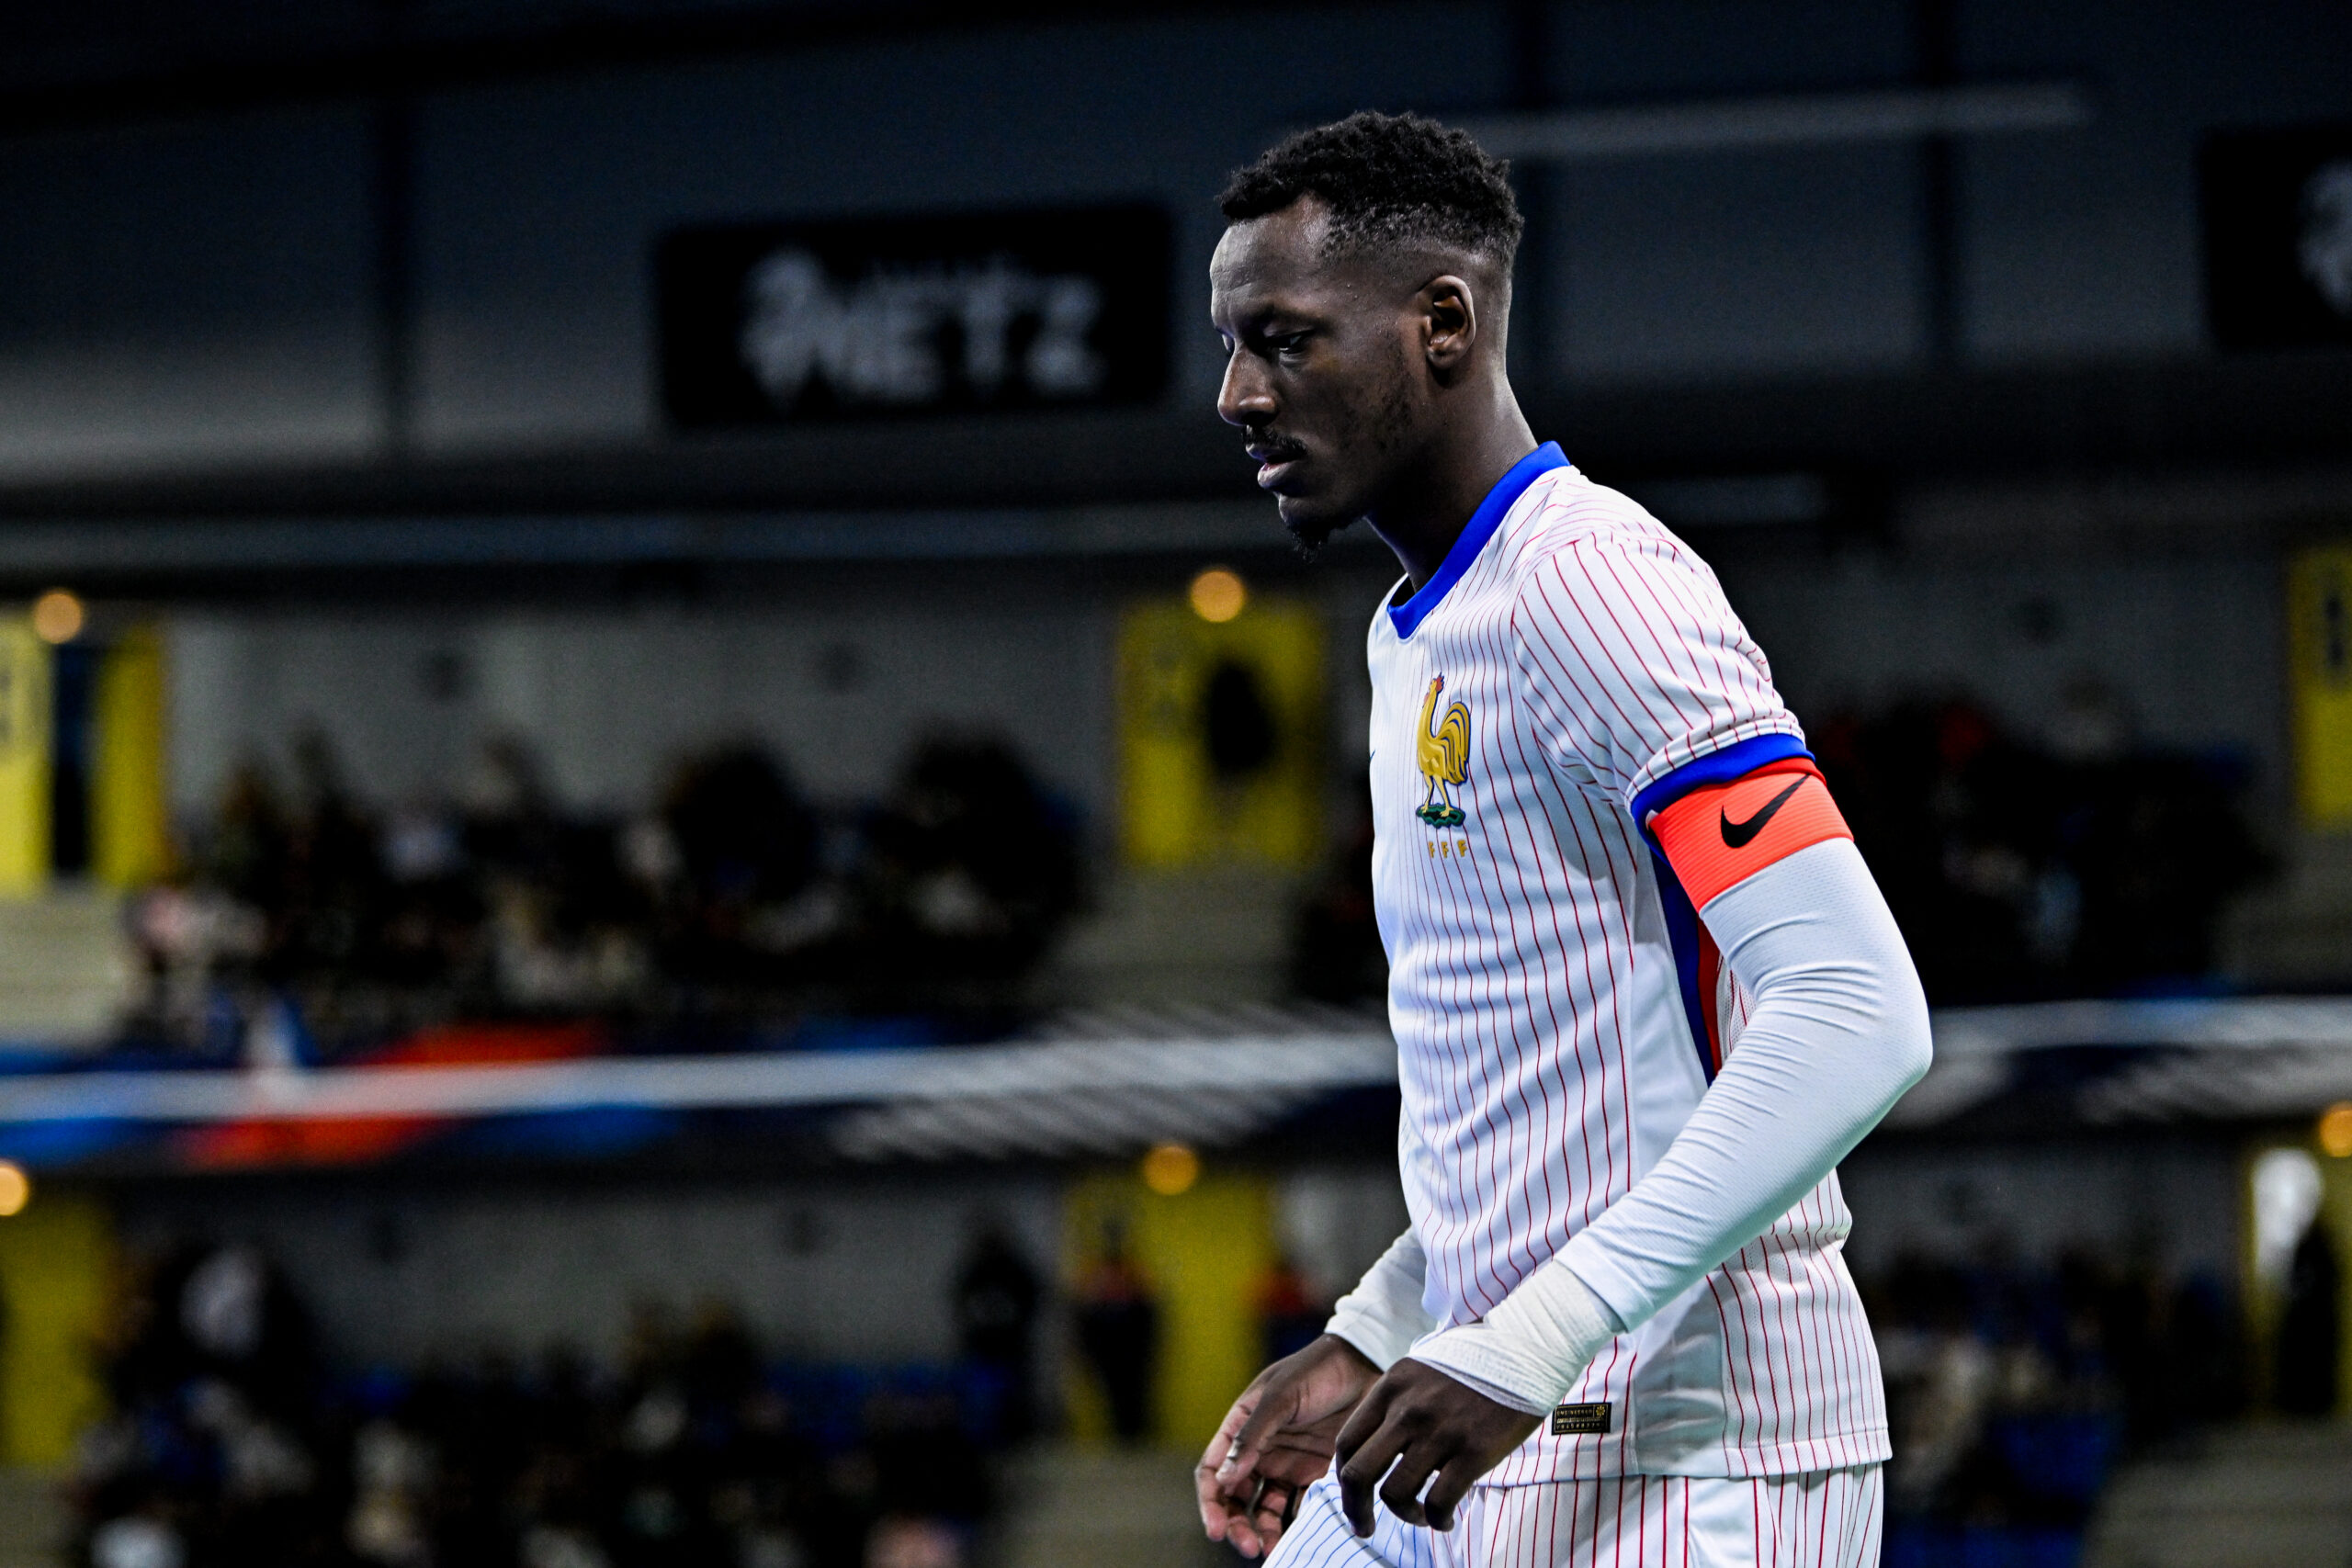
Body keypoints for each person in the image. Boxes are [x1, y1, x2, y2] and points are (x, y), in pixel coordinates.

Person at [1195, 112, 1932, 1568]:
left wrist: (1524, 1335)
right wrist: (1372, 1331)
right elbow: (1557, 1111)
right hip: (1488, 1405)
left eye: (1282, 339)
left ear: (1444, 324)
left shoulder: (1593, 585)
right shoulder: (1418, 632)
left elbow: (1858, 1012)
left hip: (1696, 1458)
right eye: (1230, 345)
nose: (1236, 394)